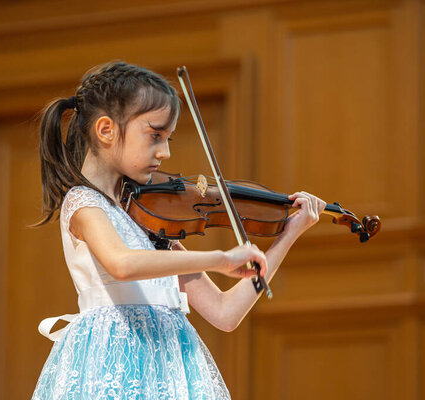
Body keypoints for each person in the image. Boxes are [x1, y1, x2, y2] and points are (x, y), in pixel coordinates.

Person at [30, 61, 325, 399]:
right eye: (155, 136)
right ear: (106, 130)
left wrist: (288, 235)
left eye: (168, 138)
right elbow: (122, 264)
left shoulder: (148, 223)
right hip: (112, 364)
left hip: (169, 370)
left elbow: (225, 313)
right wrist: (218, 258)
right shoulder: (83, 203)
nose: (165, 152)